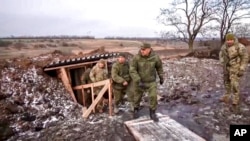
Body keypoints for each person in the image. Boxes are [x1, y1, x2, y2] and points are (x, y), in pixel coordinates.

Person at [129, 43, 164, 122]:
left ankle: (152, 113)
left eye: (144, 50)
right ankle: (136, 110)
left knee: (153, 96)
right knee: (137, 97)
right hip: (139, 81)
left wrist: (161, 77)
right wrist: (138, 80)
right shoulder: (136, 58)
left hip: (151, 81)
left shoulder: (155, 57)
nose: (142, 51)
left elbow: (159, 67)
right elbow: (132, 70)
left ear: (149, 49)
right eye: (141, 49)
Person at [219, 33, 248, 106]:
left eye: (231, 40)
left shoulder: (239, 47)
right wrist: (222, 62)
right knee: (226, 82)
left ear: (234, 39)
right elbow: (221, 55)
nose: (229, 41)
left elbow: (245, 58)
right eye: (228, 40)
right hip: (226, 68)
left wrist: (242, 68)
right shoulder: (224, 47)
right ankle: (227, 96)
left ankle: (235, 98)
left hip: (235, 68)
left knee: (234, 84)